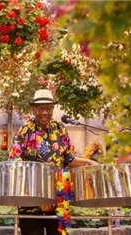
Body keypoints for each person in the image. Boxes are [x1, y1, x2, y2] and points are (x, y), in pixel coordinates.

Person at [9, 89, 98, 235]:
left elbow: (69, 159)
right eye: (40, 108)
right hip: (31, 199)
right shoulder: (26, 129)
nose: (45, 112)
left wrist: (89, 162)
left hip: (58, 198)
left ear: (53, 109)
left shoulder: (60, 129)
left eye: (48, 108)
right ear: (33, 109)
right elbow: (15, 161)